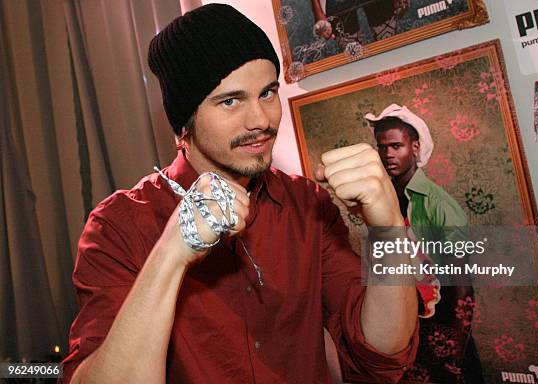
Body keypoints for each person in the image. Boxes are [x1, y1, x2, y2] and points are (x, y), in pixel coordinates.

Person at [60, 5, 434, 384]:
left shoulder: (306, 205)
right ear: (182, 125)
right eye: (230, 100)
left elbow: (383, 352)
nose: (261, 120)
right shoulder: (120, 225)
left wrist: (388, 227)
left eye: (267, 92)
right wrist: (170, 255)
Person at [368, 104, 484, 383]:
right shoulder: (385, 199)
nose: (388, 155)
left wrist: (452, 349)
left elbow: (461, 285)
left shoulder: (439, 205)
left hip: (440, 328)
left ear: (416, 147)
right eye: (382, 147)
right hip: (404, 325)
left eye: (396, 146)